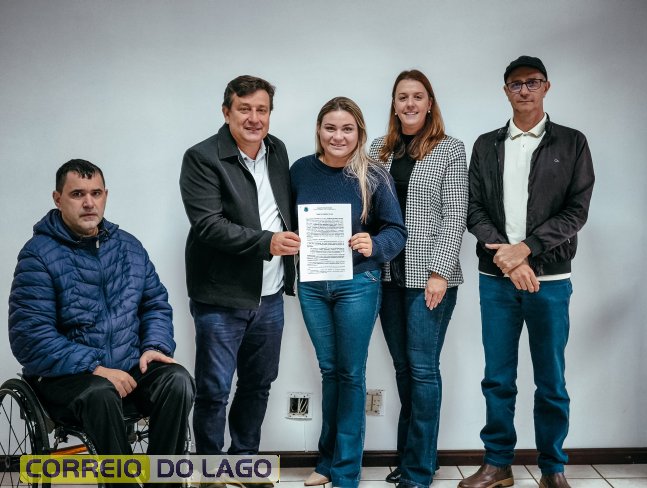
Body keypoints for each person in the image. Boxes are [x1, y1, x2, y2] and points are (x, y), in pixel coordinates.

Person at [8, 159, 195, 484]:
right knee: (101, 392)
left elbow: (154, 304)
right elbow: (31, 336)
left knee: (177, 380)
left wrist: (154, 346)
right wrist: (95, 368)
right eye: (77, 194)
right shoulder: (38, 255)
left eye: (95, 193)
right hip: (67, 379)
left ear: (105, 195)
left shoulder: (129, 248)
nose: (89, 202)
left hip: (127, 369)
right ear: (58, 199)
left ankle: (163, 481)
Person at [459, 56, 595, 488]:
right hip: (496, 280)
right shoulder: (486, 145)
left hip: (550, 281)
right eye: (516, 84)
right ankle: (497, 464)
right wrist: (507, 257)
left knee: (550, 380)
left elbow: (576, 210)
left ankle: (552, 469)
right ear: (506, 91)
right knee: (498, 378)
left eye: (532, 82)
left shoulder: (572, 143)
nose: (524, 90)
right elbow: (473, 209)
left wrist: (526, 251)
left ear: (546, 87)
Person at [179, 75, 300, 468]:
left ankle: (244, 460)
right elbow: (208, 225)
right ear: (226, 112)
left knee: (258, 385)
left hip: (270, 297)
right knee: (214, 390)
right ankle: (210, 468)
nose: (254, 118)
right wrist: (267, 242)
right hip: (221, 297)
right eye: (244, 109)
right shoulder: (201, 157)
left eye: (261, 109)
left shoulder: (277, 150)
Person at [291, 97, 407, 488]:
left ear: (359, 133)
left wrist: (375, 245)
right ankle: (326, 463)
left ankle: (345, 472)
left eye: (347, 129)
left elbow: (396, 231)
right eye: (330, 128)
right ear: (318, 130)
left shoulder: (373, 175)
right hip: (312, 285)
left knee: (351, 374)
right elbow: (286, 223)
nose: (338, 136)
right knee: (330, 371)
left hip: (358, 284)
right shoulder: (300, 171)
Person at [368, 70, 468, 488]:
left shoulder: (450, 149)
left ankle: (419, 470)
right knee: (404, 370)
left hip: (430, 278)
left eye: (417, 96)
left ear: (429, 104)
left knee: (424, 370)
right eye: (402, 97)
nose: (409, 103)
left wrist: (440, 272)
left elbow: (455, 215)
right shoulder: (378, 149)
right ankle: (415, 457)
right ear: (394, 105)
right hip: (387, 276)